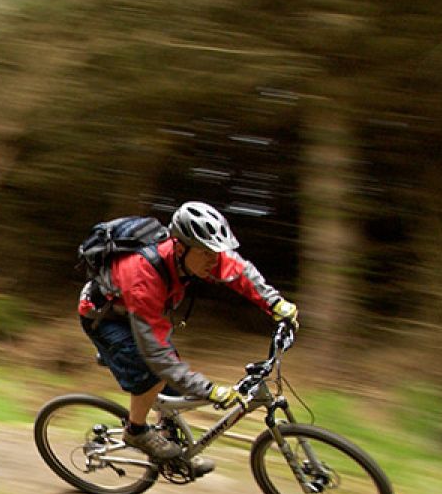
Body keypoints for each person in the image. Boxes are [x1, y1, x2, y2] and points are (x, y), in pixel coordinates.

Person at [78, 201, 299, 474]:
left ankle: (172, 450)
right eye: (206, 254)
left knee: (175, 385)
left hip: (139, 312)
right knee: (155, 374)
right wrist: (210, 390)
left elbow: (240, 271)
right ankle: (136, 431)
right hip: (106, 319)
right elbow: (157, 356)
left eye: (216, 253)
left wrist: (275, 304)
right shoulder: (143, 274)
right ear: (180, 247)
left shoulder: (199, 256)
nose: (213, 261)